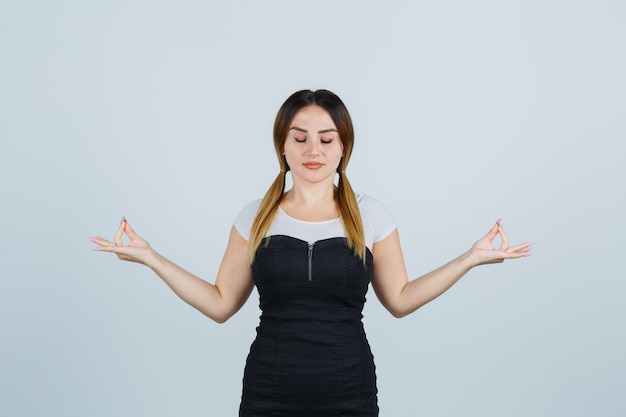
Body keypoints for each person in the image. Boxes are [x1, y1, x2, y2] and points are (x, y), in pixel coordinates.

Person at [90, 89, 532, 416]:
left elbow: (400, 299)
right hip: (269, 392)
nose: (313, 150)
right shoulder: (255, 216)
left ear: (344, 147)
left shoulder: (371, 214)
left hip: (349, 393)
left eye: (326, 138)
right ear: (282, 146)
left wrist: (469, 259)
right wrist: (151, 258)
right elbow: (221, 303)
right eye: (299, 138)